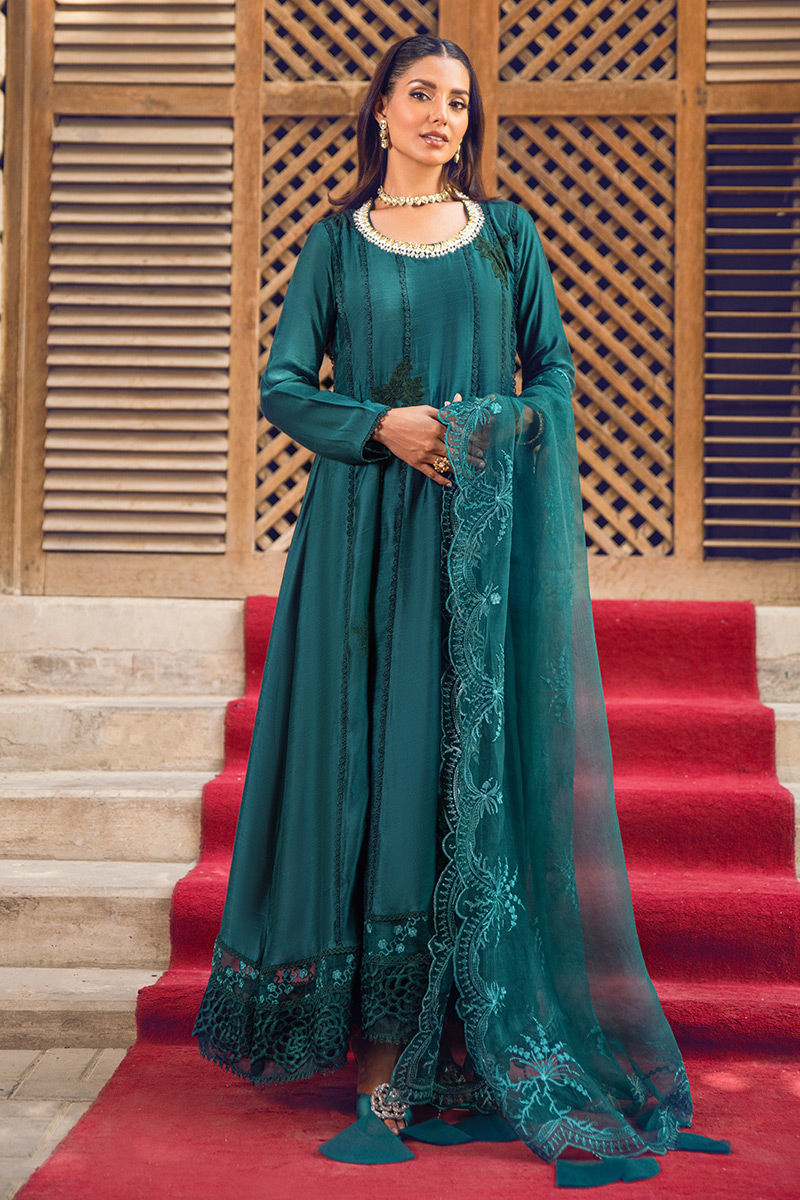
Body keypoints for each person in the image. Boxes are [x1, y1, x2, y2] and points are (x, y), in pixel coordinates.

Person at [192, 33, 729, 1185]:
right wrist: (376, 427)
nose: (442, 114)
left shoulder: (505, 238)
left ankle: (461, 1048)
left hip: (476, 544)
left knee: (460, 770)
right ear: (380, 110)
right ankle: (379, 1069)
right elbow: (282, 386)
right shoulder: (334, 244)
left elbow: (553, 379)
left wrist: (490, 425)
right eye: (421, 95)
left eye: (457, 102)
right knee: (371, 769)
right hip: (354, 548)